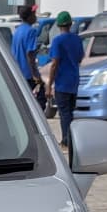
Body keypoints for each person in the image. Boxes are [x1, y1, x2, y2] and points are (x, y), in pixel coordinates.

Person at [46, 11, 85, 152]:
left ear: (58, 25)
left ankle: (66, 141)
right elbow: (80, 58)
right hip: (74, 80)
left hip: (62, 81)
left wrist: (49, 84)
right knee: (70, 112)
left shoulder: (57, 41)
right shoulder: (77, 39)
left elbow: (55, 62)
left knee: (64, 113)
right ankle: (70, 138)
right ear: (70, 24)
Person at [11, 6, 46, 111]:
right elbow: (30, 54)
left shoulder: (18, 30)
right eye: (34, 14)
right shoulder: (31, 31)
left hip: (17, 71)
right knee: (40, 99)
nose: (35, 17)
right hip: (27, 73)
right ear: (29, 16)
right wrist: (35, 74)